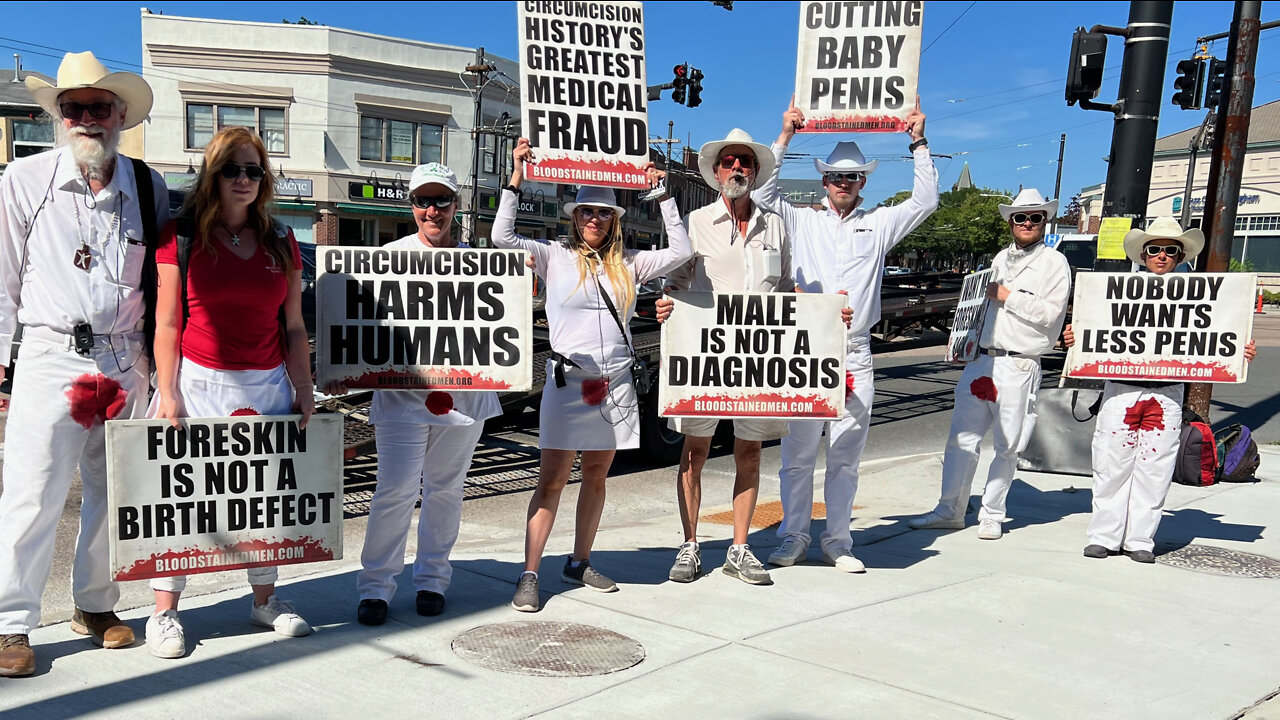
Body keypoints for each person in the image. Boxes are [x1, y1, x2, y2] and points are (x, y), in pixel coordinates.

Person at [0, 52, 168, 676]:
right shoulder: (22, 180)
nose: (87, 118)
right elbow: (2, 279)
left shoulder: (145, 186)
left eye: (100, 107)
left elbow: (160, 282)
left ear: (120, 115)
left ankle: (95, 605)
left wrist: (158, 368)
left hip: (125, 359)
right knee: (31, 492)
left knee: (115, 491)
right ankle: (9, 623)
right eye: (75, 108)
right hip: (49, 354)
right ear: (59, 116)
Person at [497, 138, 690, 612]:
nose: (594, 220)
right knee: (552, 479)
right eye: (586, 212)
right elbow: (503, 236)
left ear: (614, 220)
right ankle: (529, 572)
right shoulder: (553, 256)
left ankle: (580, 560)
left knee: (598, 475)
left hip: (616, 384)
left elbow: (682, 249)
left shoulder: (630, 264)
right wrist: (517, 175)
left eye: (603, 214)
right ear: (574, 216)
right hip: (568, 381)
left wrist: (662, 193)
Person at [144, 126, 313, 658]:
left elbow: (293, 326)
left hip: (264, 385)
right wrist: (167, 390)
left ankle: (265, 599)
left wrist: (304, 388)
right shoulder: (182, 234)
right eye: (232, 169)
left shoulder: (281, 240)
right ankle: (165, 612)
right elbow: (167, 321)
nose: (243, 179)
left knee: (264, 500)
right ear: (212, 175)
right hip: (197, 381)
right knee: (183, 499)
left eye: (254, 170)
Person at [754, 97, 937, 573]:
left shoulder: (878, 225)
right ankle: (793, 534)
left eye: (852, 177)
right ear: (823, 179)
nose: (842, 183)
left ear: (863, 182)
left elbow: (925, 201)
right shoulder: (802, 218)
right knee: (797, 452)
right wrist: (786, 135)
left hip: (854, 351)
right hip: (806, 350)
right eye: (836, 176)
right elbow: (761, 195)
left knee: (844, 454)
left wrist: (917, 140)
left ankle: (838, 540)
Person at [324, 163, 502, 627]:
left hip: (465, 401)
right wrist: (345, 370)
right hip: (403, 400)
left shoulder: (479, 264)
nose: (433, 210)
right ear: (411, 207)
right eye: (424, 200)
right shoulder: (387, 259)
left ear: (456, 206)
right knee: (395, 489)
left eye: (441, 200)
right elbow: (361, 330)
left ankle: (432, 581)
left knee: (446, 491)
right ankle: (376, 587)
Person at [1063, 218, 1257, 563]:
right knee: (1111, 464)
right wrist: (1075, 340)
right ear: (1142, 254)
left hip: (1166, 394)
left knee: (1154, 469)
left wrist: (1239, 349)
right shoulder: (1111, 293)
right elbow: (1091, 334)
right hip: (1121, 391)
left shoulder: (1202, 299)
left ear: (1180, 256)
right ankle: (1104, 536)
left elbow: (1217, 337)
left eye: (1171, 250)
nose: (1162, 255)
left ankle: (1140, 539)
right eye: (1155, 249)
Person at [657, 129, 796, 587]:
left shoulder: (776, 224)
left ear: (755, 173)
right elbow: (674, 282)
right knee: (695, 453)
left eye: (746, 163)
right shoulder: (695, 223)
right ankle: (690, 544)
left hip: (757, 358)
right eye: (730, 162)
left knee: (749, 453)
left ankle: (739, 548)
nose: (738, 168)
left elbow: (787, 290)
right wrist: (665, 304)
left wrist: (824, 317)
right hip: (706, 357)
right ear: (716, 172)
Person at [909, 189, 1071, 540]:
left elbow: (1051, 314)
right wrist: (962, 340)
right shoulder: (1000, 258)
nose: (1027, 223)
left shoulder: (1054, 263)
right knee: (961, 439)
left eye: (1035, 217)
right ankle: (949, 508)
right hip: (981, 358)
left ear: (1045, 221)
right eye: (1020, 217)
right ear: (1011, 222)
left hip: (1019, 362)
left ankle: (992, 512)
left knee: (1008, 443)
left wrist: (1009, 297)